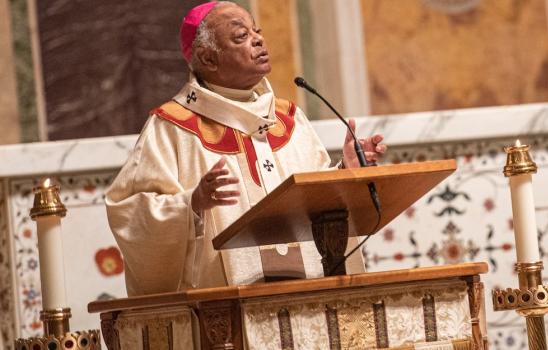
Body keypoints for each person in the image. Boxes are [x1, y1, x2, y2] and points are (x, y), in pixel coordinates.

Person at [106, 1, 387, 296]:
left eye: (257, 31)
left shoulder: (288, 118)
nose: (258, 40)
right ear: (208, 58)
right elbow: (128, 213)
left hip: (311, 294)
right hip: (225, 311)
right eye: (241, 37)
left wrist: (344, 172)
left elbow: (316, 198)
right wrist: (192, 204)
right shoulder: (173, 127)